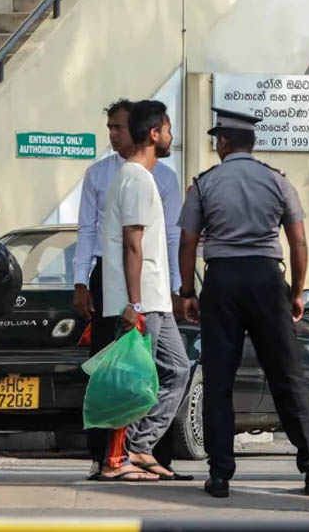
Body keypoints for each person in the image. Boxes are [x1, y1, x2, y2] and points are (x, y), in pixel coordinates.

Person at [177, 107, 309, 498]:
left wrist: (188, 292)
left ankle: (220, 475)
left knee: (219, 379)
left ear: (223, 142)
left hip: (222, 281)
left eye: (217, 140)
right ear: (252, 142)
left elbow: (188, 242)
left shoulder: (204, 185)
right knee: (286, 373)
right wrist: (297, 292)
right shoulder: (278, 182)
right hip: (266, 279)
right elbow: (298, 242)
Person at [74, 99, 190, 481]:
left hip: (157, 297)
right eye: (168, 129)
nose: (171, 136)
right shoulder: (136, 178)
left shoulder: (144, 176)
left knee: (177, 369)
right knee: (134, 380)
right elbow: (132, 244)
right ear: (154, 133)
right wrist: (134, 304)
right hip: (141, 299)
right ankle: (116, 460)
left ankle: (139, 446)